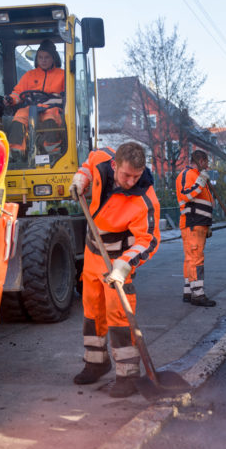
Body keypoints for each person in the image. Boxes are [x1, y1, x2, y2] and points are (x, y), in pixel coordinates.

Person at [68, 142, 161, 398]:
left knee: (119, 313)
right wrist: (81, 179)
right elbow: (88, 166)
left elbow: (149, 240)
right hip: (92, 250)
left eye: (136, 176)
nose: (131, 181)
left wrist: (124, 264)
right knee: (92, 307)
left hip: (118, 259)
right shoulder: (100, 160)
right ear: (114, 165)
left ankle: (128, 375)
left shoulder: (145, 199)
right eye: (126, 175)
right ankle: (96, 363)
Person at [4, 39, 65, 157]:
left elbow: (67, 96)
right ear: (36, 58)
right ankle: (16, 151)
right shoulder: (29, 75)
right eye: (40, 57)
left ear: (53, 58)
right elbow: (18, 92)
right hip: (32, 107)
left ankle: (52, 149)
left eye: (47, 57)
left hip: (52, 106)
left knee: (51, 116)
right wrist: (11, 99)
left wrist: (57, 100)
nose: (43, 60)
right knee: (20, 115)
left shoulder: (62, 75)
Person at [176, 149, 216, 307]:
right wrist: (201, 181)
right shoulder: (189, 174)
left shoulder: (195, 175)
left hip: (198, 222)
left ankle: (189, 291)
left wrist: (208, 223)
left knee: (190, 258)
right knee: (196, 258)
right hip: (193, 222)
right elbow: (186, 195)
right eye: (206, 162)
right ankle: (198, 294)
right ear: (201, 161)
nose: (207, 166)